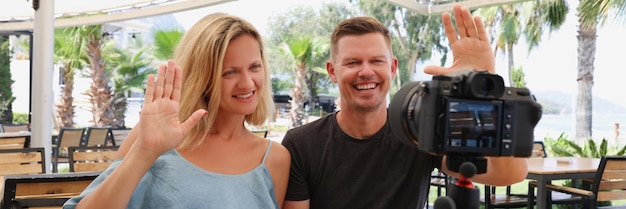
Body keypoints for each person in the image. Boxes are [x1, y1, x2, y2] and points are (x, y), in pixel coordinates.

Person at [281, 5, 528, 209]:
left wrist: (485, 92)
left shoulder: (419, 130)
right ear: (332, 71)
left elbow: (509, 174)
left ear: (392, 67)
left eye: (377, 60)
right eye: (353, 62)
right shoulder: (302, 144)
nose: (366, 71)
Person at [63, 13, 291, 209]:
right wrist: (144, 151)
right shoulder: (155, 137)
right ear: (202, 77)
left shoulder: (275, 159)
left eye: (254, 67)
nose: (247, 83)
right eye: (229, 72)